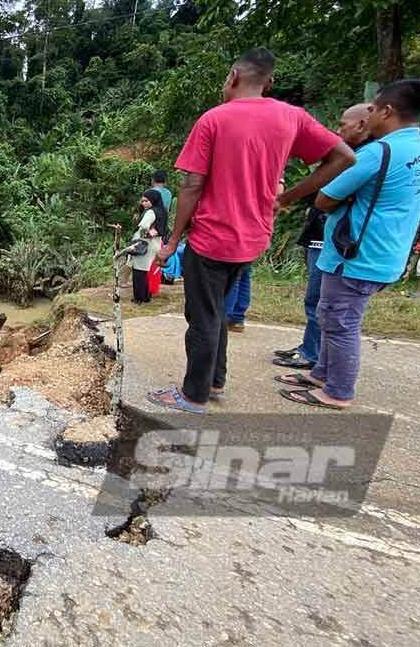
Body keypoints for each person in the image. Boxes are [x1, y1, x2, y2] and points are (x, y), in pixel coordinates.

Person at [147, 47, 355, 414]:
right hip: (253, 238)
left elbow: (192, 185)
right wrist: (287, 198)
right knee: (217, 310)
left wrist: (174, 239)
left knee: (202, 317)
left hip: (213, 237)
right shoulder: (291, 117)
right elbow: (344, 157)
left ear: (232, 76)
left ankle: (192, 395)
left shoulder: (214, 119)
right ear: (269, 81)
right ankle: (214, 379)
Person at [278, 79, 420, 409]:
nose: (369, 116)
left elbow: (324, 198)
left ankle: (337, 391)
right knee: (330, 314)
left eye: (374, 109)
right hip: (386, 253)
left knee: (340, 322)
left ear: (387, 111)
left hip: (357, 254)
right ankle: (321, 373)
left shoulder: (379, 152)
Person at [274, 103, 373, 368]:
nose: (338, 130)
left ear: (362, 125)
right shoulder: (355, 156)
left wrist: (284, 198)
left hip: (331, 240)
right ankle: (311, 347)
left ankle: (313, 355)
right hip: (322, 234)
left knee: (322, 303)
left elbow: (326, 198)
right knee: (319, 301)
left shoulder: (361, 159)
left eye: (343, 124)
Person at [130, 190, 166, 303]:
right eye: (143, 201)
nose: (143, 203)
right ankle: (147, 295)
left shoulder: (150, 212)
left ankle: (139, 298)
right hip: (156, 243)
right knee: (147, 271)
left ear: (153, 200)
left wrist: (142, 231)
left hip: (145, 243)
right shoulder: (163, 211)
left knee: (139, 271)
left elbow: (143, 225)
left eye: (146, 201)